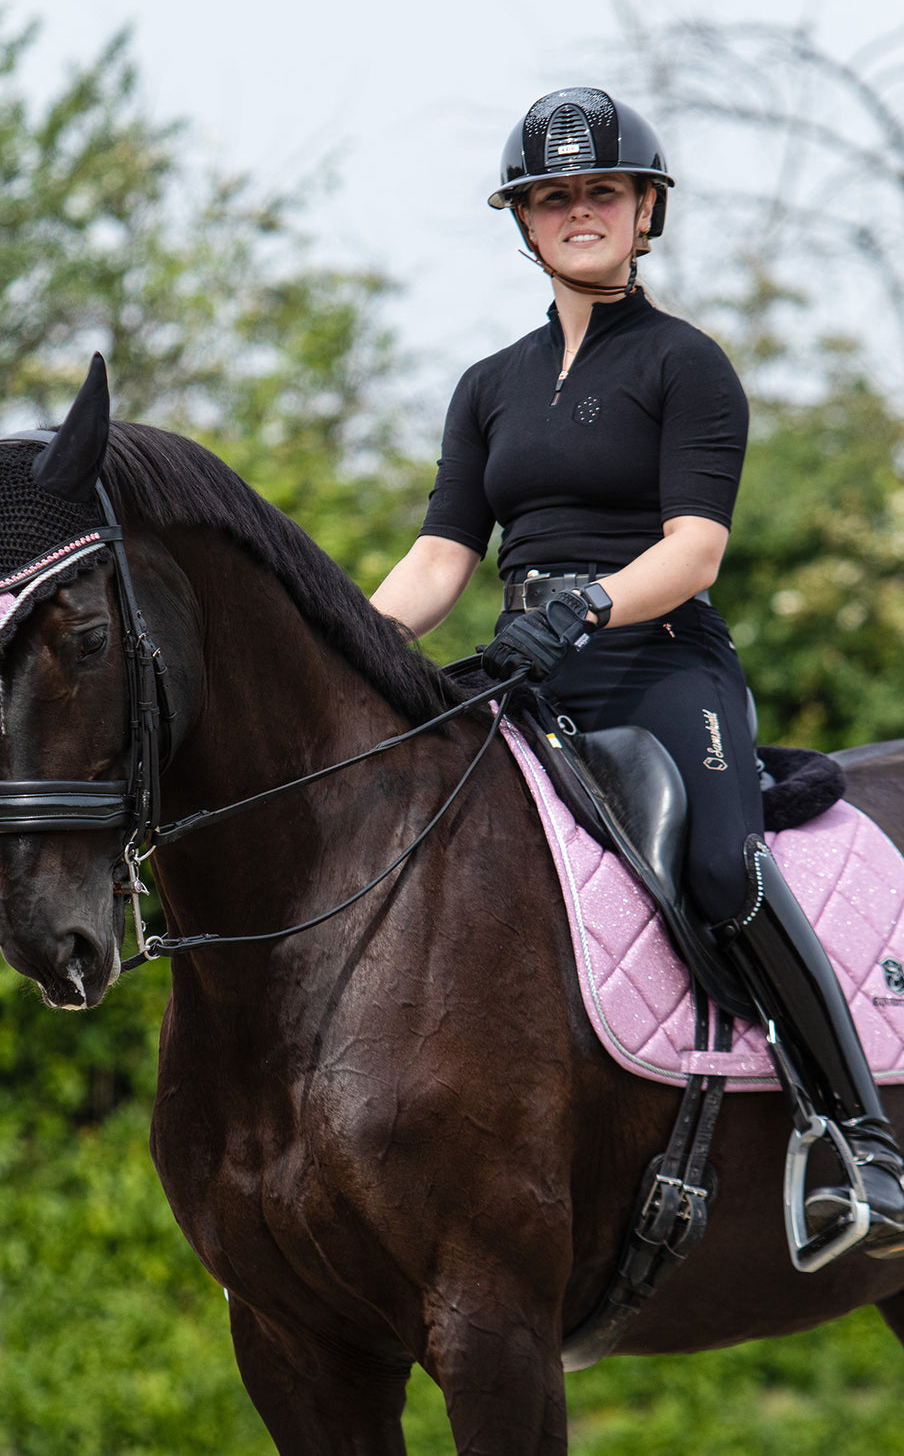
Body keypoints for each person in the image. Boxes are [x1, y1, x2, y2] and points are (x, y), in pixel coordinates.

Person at [371, 86, 904, 1258]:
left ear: (644, 208)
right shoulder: (489, 385)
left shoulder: (686, 364)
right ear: (524, 222)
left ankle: (859, 1142)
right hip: (525, 669)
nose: (578, 212)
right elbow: (441, 557)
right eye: (553, 197)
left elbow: (696, 547)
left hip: (659, 671)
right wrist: (352, 642)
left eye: (600, 191)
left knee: (721, 863)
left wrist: (591, 603)